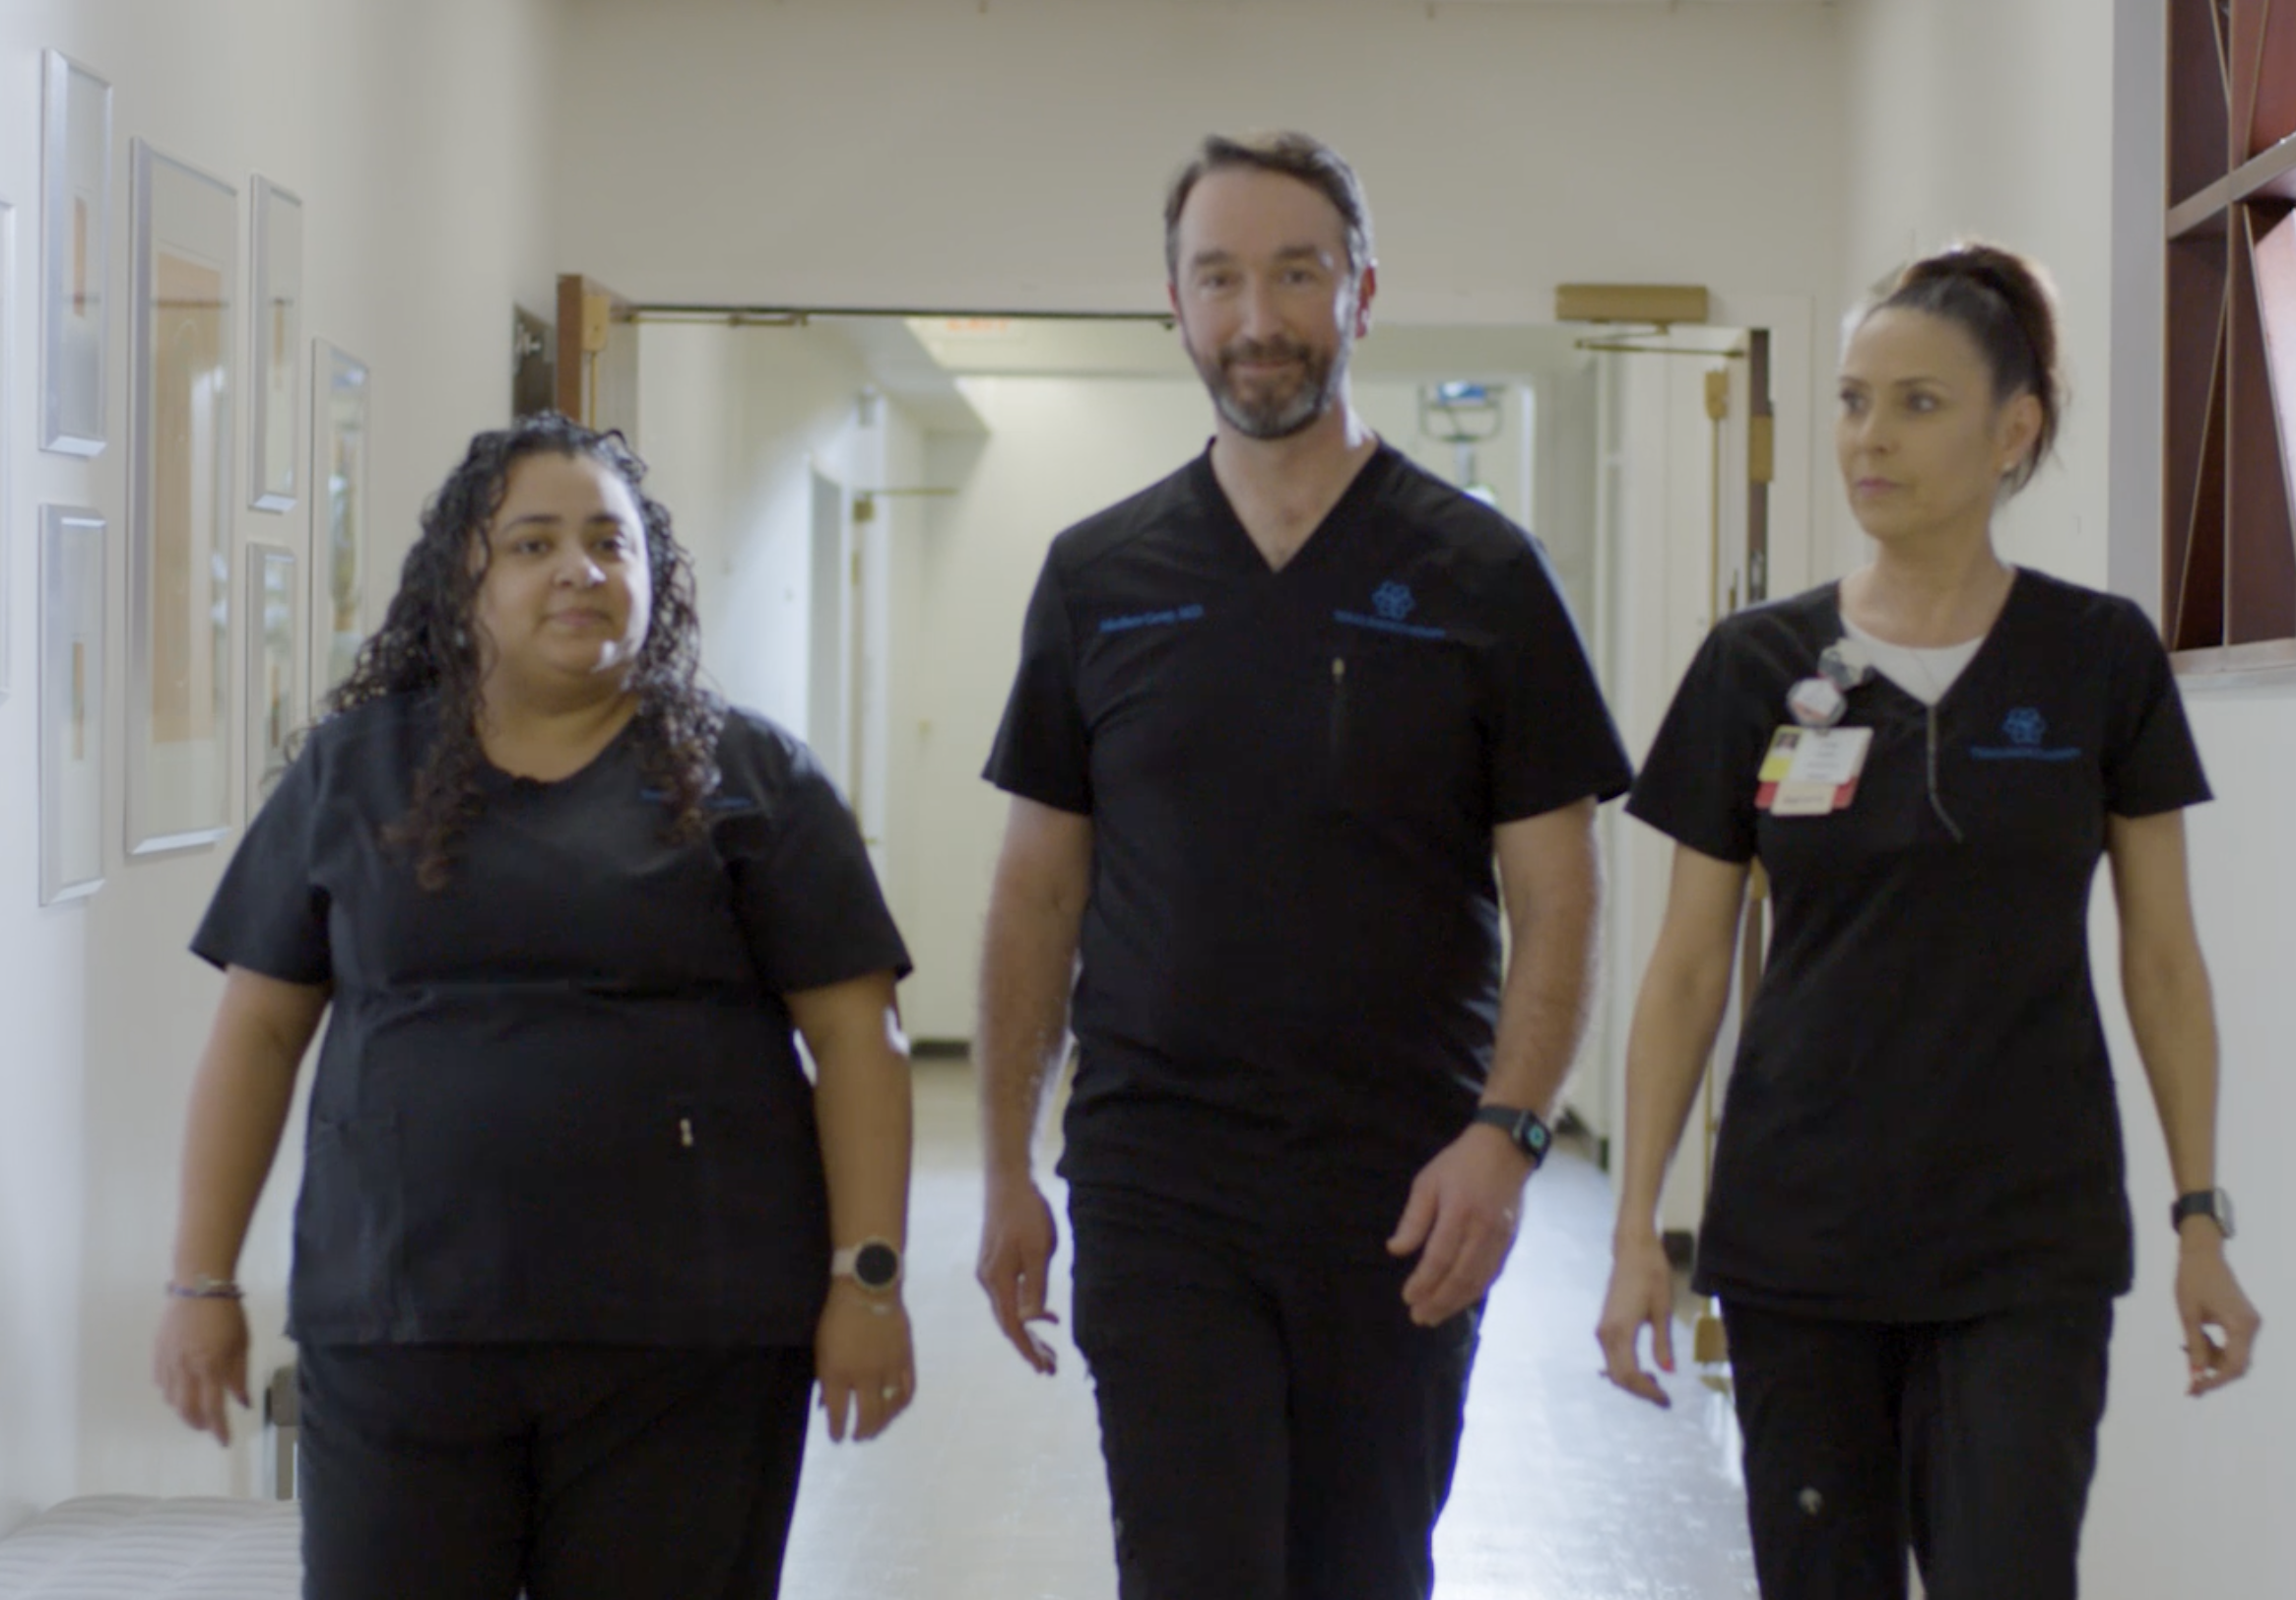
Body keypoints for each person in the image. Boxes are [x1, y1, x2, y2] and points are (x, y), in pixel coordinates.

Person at [971, 131, 1633, 1600]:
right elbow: (1038, 892)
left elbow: (1560, 892)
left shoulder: (1483, 575)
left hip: (1403, 1191)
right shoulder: (1099, 576)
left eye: (1295, 273)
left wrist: (1510, 1137)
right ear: (1176, 303)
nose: (1258, 317)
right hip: (1158, 1182)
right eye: (1220, 278)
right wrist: (1011, 1164)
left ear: (1362, 292)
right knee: (1192, 1568)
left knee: (1364, 1568)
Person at [152, 414, 917, 1600]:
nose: (581, 571)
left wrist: (866, 1283)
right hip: (401, 1328)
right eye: (534, 543)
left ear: (652, 578)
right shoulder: (355, 772)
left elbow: (858, 1039)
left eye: (612, 542)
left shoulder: (752, 780)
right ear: (465, 577)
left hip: (689, 1350)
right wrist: (200, 1283)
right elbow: (257, 1031)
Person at [1595, 243, 2263, 1600]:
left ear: (2015, 428)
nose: (1868, 439)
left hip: (2026, 1240)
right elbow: (1683, 973)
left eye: (1916, 403)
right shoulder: (1756, 667)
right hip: (1801, 1235)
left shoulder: (2099, 658)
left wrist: (2201, 1214)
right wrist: (1631, 1237)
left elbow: (2163, 960)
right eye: (1850, 400)